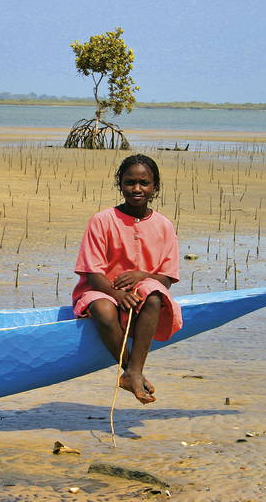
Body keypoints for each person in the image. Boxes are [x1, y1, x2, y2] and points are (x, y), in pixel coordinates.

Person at [72, 154, 182, 404]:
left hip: (146, 289)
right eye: (130, 182)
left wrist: (143, 276)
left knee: (154, 297)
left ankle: (135, 371)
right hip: (100, 289)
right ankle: (130, 371)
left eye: (144, 183)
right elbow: (91, 271)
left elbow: (166, 278)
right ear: (120, 184)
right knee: (103, 308)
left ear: (155, 187)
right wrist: (116, 294)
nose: (137, 189)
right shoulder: (103, 220)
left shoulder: (164, 225)